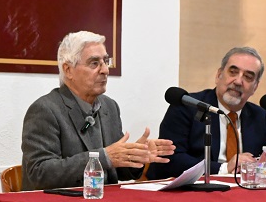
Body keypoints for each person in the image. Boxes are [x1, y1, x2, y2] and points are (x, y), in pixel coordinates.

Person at [21, 31, 174, 191]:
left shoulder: (110, 107)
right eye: (94, 63)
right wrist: (103, 158)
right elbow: (39, 174)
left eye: (105, 61)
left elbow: (118, 171)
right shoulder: (45, 110)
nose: (105, 70)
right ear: (68, 70)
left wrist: (135, 156)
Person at [146, 46, 266, 180]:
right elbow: (171, 159)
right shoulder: (186, 106)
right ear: (219, 75)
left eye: (248, 77)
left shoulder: (257, 114)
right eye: (233, 72)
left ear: (255, 87)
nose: (238, 81)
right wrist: (224, 168)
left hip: (241, 190)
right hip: (189, 190)